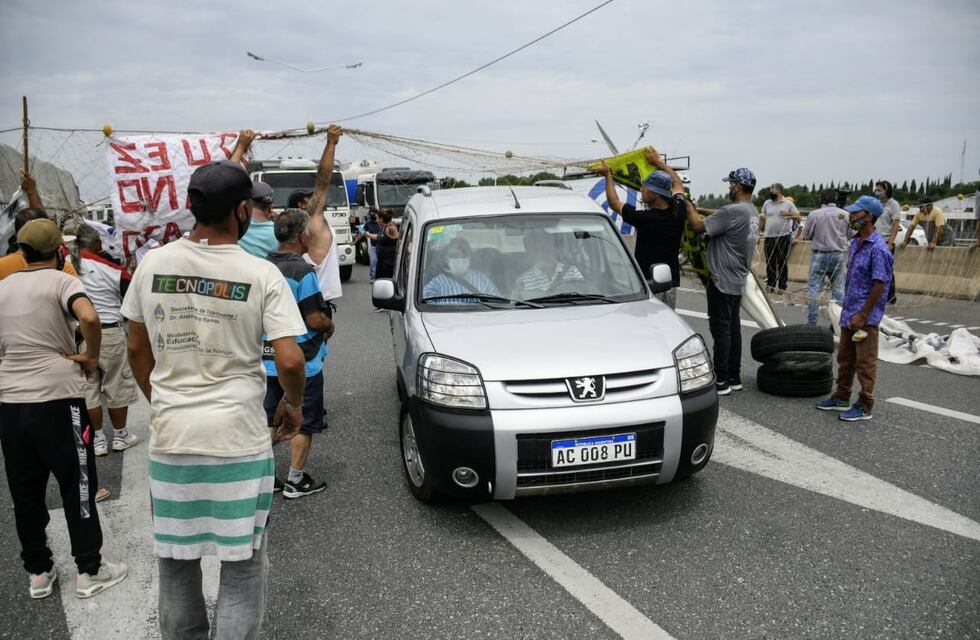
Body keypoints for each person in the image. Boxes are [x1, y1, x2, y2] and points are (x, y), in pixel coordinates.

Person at [121, 159, 308, 639]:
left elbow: (137, 347)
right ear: (243, 211)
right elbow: (289, 361)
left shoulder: (153, 264)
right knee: (242, 568)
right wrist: (292, 404)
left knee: (176, 564)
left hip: (171, 437)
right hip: (238, 438)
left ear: (191, 207)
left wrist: (160, 397)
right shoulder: (259, 273)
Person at [0, 218, 128, 600]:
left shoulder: (3, 286)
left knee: (25, 491)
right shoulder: (65, 281)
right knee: (78, 484)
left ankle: (39, 571)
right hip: (58, 398)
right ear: (60, 251)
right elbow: (89, 317)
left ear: (21, 252)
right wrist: (89, 355)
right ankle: (89, 569)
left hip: (10, 401)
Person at [263, 209, 335, 498]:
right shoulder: (302, 271)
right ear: (303, 236)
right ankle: (295, 479)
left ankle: (265, 477)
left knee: (269, 418)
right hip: (302, 359)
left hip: (266, 358)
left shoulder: (262, 265)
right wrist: (329, 325)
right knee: (303, 420)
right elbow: (315, 318)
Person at [683, 168, 760, 395]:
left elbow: (698, 226)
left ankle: (721, 380)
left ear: (737, 186)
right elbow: (721, 215)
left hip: (721, 278)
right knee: (733, 328)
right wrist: (701, 209)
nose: (728, 188)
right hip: (737, 278)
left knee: (721, 330)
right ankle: (734, 377)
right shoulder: (751, 211)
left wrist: (688, 205)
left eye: (730, 184)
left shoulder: (731, 211)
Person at [816, 195, 893, 422]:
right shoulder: (857, 242)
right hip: (850, 312)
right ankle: (841, 396)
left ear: (868, 216)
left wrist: (863, 314)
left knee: (865, 362)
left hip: (864, 317)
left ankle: (865, 404)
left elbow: (880, 285)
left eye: (856, 213)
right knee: (845, 358)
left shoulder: (878, 248)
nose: (851, 217)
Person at [73, 224, 140, 456]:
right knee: (116, 384)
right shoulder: (109, 267)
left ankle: (98, 439)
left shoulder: (67, 267)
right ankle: (120, 435)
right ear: (95, 244)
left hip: (79, 334)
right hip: (109, 332)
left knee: (89, 387)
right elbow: (132, 293)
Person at [597, 146, 687, 308]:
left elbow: (614, 202)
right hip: (670, 283)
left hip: (649, 284)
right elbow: (678, 183)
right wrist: (659, 163)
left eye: (645, 188)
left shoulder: (647, 219)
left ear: (656, 194)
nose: (641, 189)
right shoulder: (679, 209)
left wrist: (608, 176)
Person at [0, 173, 77, 279]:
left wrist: (31, 191)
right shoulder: (63, 268)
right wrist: (32, 191)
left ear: (18, 235)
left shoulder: (2, 266)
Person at [802, 189, 849, 325]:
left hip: (819, 255)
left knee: (814, 289)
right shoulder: (845, 214)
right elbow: (851, 234)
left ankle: (812, 323)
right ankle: (837, 323)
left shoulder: (814, 214)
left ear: (821, 199)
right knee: (839, 289)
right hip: (839, 255)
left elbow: (806, 235)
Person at [422, 237, 500, 303]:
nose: (459, 259)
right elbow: (425, 302)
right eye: (454, 256)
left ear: (470, 257)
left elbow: (497, 300)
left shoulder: (481, 279)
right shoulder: (439, 281)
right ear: (446, 259)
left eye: (463, 255)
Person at [513, 228, 584, 298]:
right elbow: (517, 304)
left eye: (545, 249)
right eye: (536, 250)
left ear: (555, 249)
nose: (540, 254)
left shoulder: (572, 272)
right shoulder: (523, 280)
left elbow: (583, 295)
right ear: (531, 252)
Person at [760, 183, 800, 293]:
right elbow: (763, 215)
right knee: (770, 261)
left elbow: (798, 217)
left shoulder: (788, 204)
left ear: (780, 191)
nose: (771, 192)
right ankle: (771, 285)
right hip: (769, 235)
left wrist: (787, 214)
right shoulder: (767, 203)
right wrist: (761, 221)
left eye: (773, 190)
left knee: (782, 261)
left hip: (783, 236)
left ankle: (782, 286)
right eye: (771, 189)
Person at [873, 180, 901, 304]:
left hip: (885, 241)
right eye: (876, 189)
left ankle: (890, 295)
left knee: (887, 270)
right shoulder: (877, 204)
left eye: (879, 189)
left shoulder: (894, 205)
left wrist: (890, 243)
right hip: (874, 240)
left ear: (886, 190)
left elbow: (895, 224)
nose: (877, 192)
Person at [374, 209, 399, 279]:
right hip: (381, 263)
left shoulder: (389, 228)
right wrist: (367, 234)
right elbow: (377, 237)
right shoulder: (382, 228)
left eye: (377, 218)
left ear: (381, 219)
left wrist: (393, 229)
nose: (376, 220)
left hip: (388, 265)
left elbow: (396, 235)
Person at [363, 209, 382, 281]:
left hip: (381, 246)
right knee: (373, 262)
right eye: (371, 213)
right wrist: (354, 242)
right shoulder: (368, 224)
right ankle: (373, 277)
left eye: (374, 213)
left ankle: (380, 277)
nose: (373, 215)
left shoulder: (380, 223)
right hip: (373, 246)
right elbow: (362, 232)